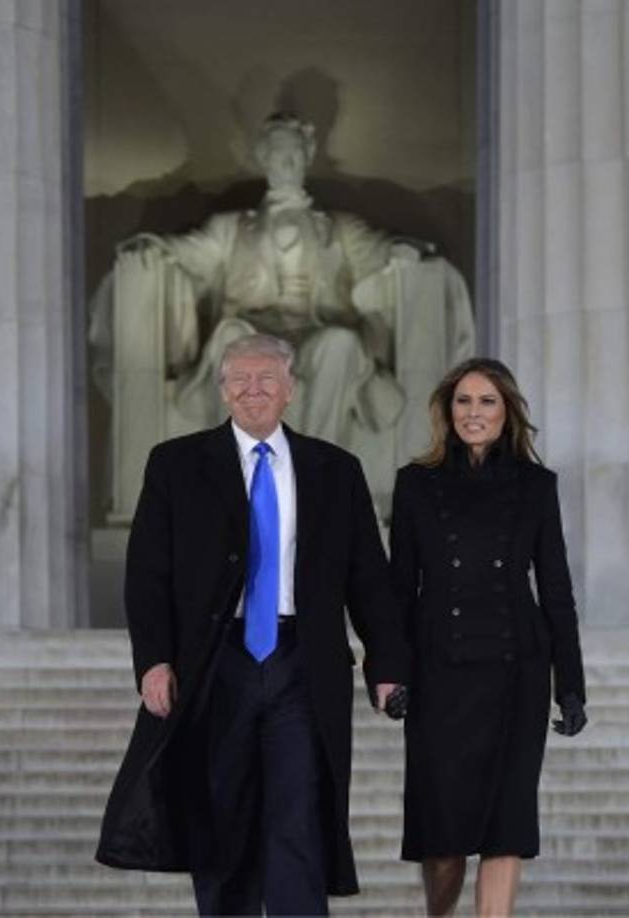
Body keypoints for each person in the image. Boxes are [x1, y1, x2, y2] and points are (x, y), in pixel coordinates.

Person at [95, 333, 408, 915]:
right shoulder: (176, 464)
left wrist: (387, 666)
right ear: (222, 390)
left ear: (290, 390)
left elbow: (368, 577)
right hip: (216, 664)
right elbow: (147, 575)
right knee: (221, 817)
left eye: (266, 379)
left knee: (298, 815)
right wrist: (154, 661)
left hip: (302, 662)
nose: (252, 390)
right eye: (238, 379)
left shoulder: (335, 471)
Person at [89, 112, 474, 520]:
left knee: (342, 344)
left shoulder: (339, 230)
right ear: (262, 159)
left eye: (294, 153)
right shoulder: (232, 229)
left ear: (307, 156)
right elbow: (186, 251)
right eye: (277, 153)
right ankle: (235, 480)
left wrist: (407, 252)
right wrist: (150, 248)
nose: (286, 162)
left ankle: (312, 477)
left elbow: (383, 250)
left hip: (314, 335)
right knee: (236, 344)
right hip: (251, 332)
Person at [389, 357, 587, 917]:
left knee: (507, 827)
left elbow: (556, 592)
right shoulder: (415, 485)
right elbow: (398, 591)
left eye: (487, 402)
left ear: (508, 413)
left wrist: (569, 685)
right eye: (464, 401)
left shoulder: (536, 486)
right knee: (443, 838)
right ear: (448, 412)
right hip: (439, 676)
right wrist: (392, 673)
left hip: (515, 673)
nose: (474, 413)